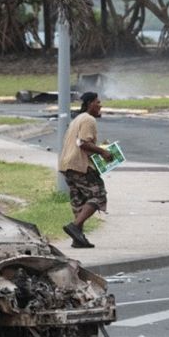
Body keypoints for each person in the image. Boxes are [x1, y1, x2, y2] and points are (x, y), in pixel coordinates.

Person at [57, 92, 113, 249]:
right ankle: (75, 227)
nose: (100, 105)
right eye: (98, 102)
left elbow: (78, 142)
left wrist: (98, 148)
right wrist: (103, 152)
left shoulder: (78, 119)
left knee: (79, 201)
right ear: (90, 103)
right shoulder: (89, 119)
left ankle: (78, 239)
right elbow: (82, 143)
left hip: (67, 165)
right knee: (98, 195)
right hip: (80, 165)